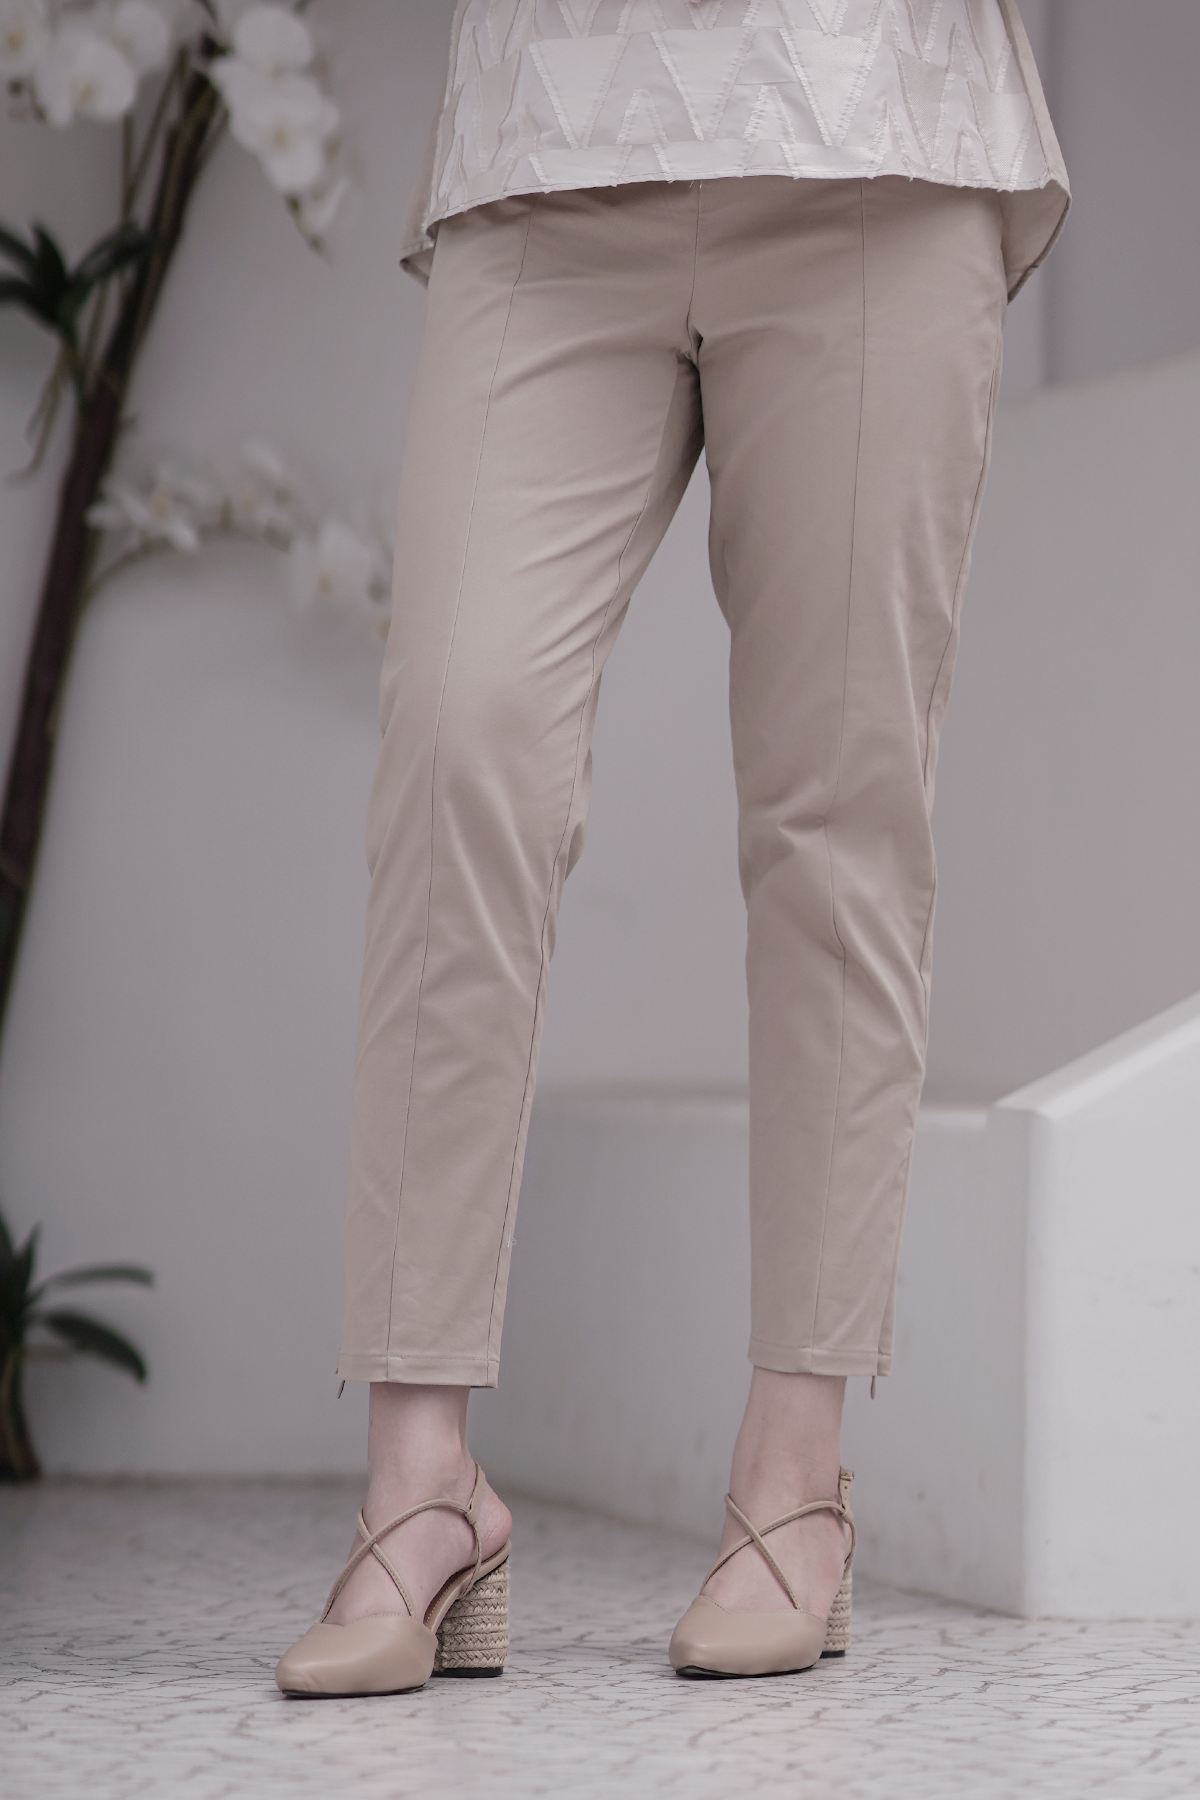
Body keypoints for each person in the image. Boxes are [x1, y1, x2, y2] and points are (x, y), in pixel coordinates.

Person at [275, 0, 1068, 1695]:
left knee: (836, 803)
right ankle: (421, 1483)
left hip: (875, 119)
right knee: (460, 746)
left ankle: (796, 1472)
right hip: (549, 133)